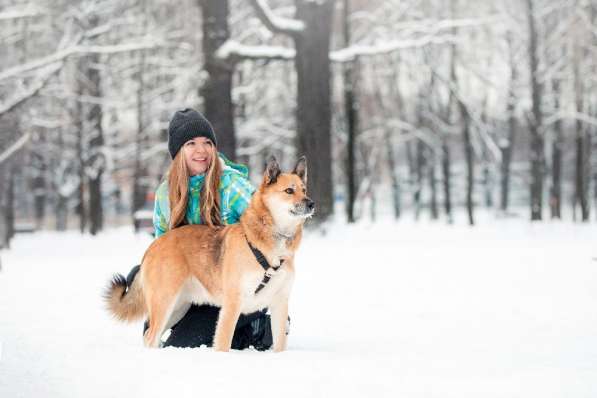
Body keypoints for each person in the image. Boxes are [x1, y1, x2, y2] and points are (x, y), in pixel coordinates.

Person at [127, 108, 272, 350]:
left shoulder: (231, 184)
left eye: (207, 142)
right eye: (191, 143)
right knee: (139, 279)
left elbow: (267, 225)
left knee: (184, 343)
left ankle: (257, 326)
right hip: (195, 283)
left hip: (237, 288)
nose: (201, 150)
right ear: (178, 152)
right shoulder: (165, 194)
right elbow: (165, 249)